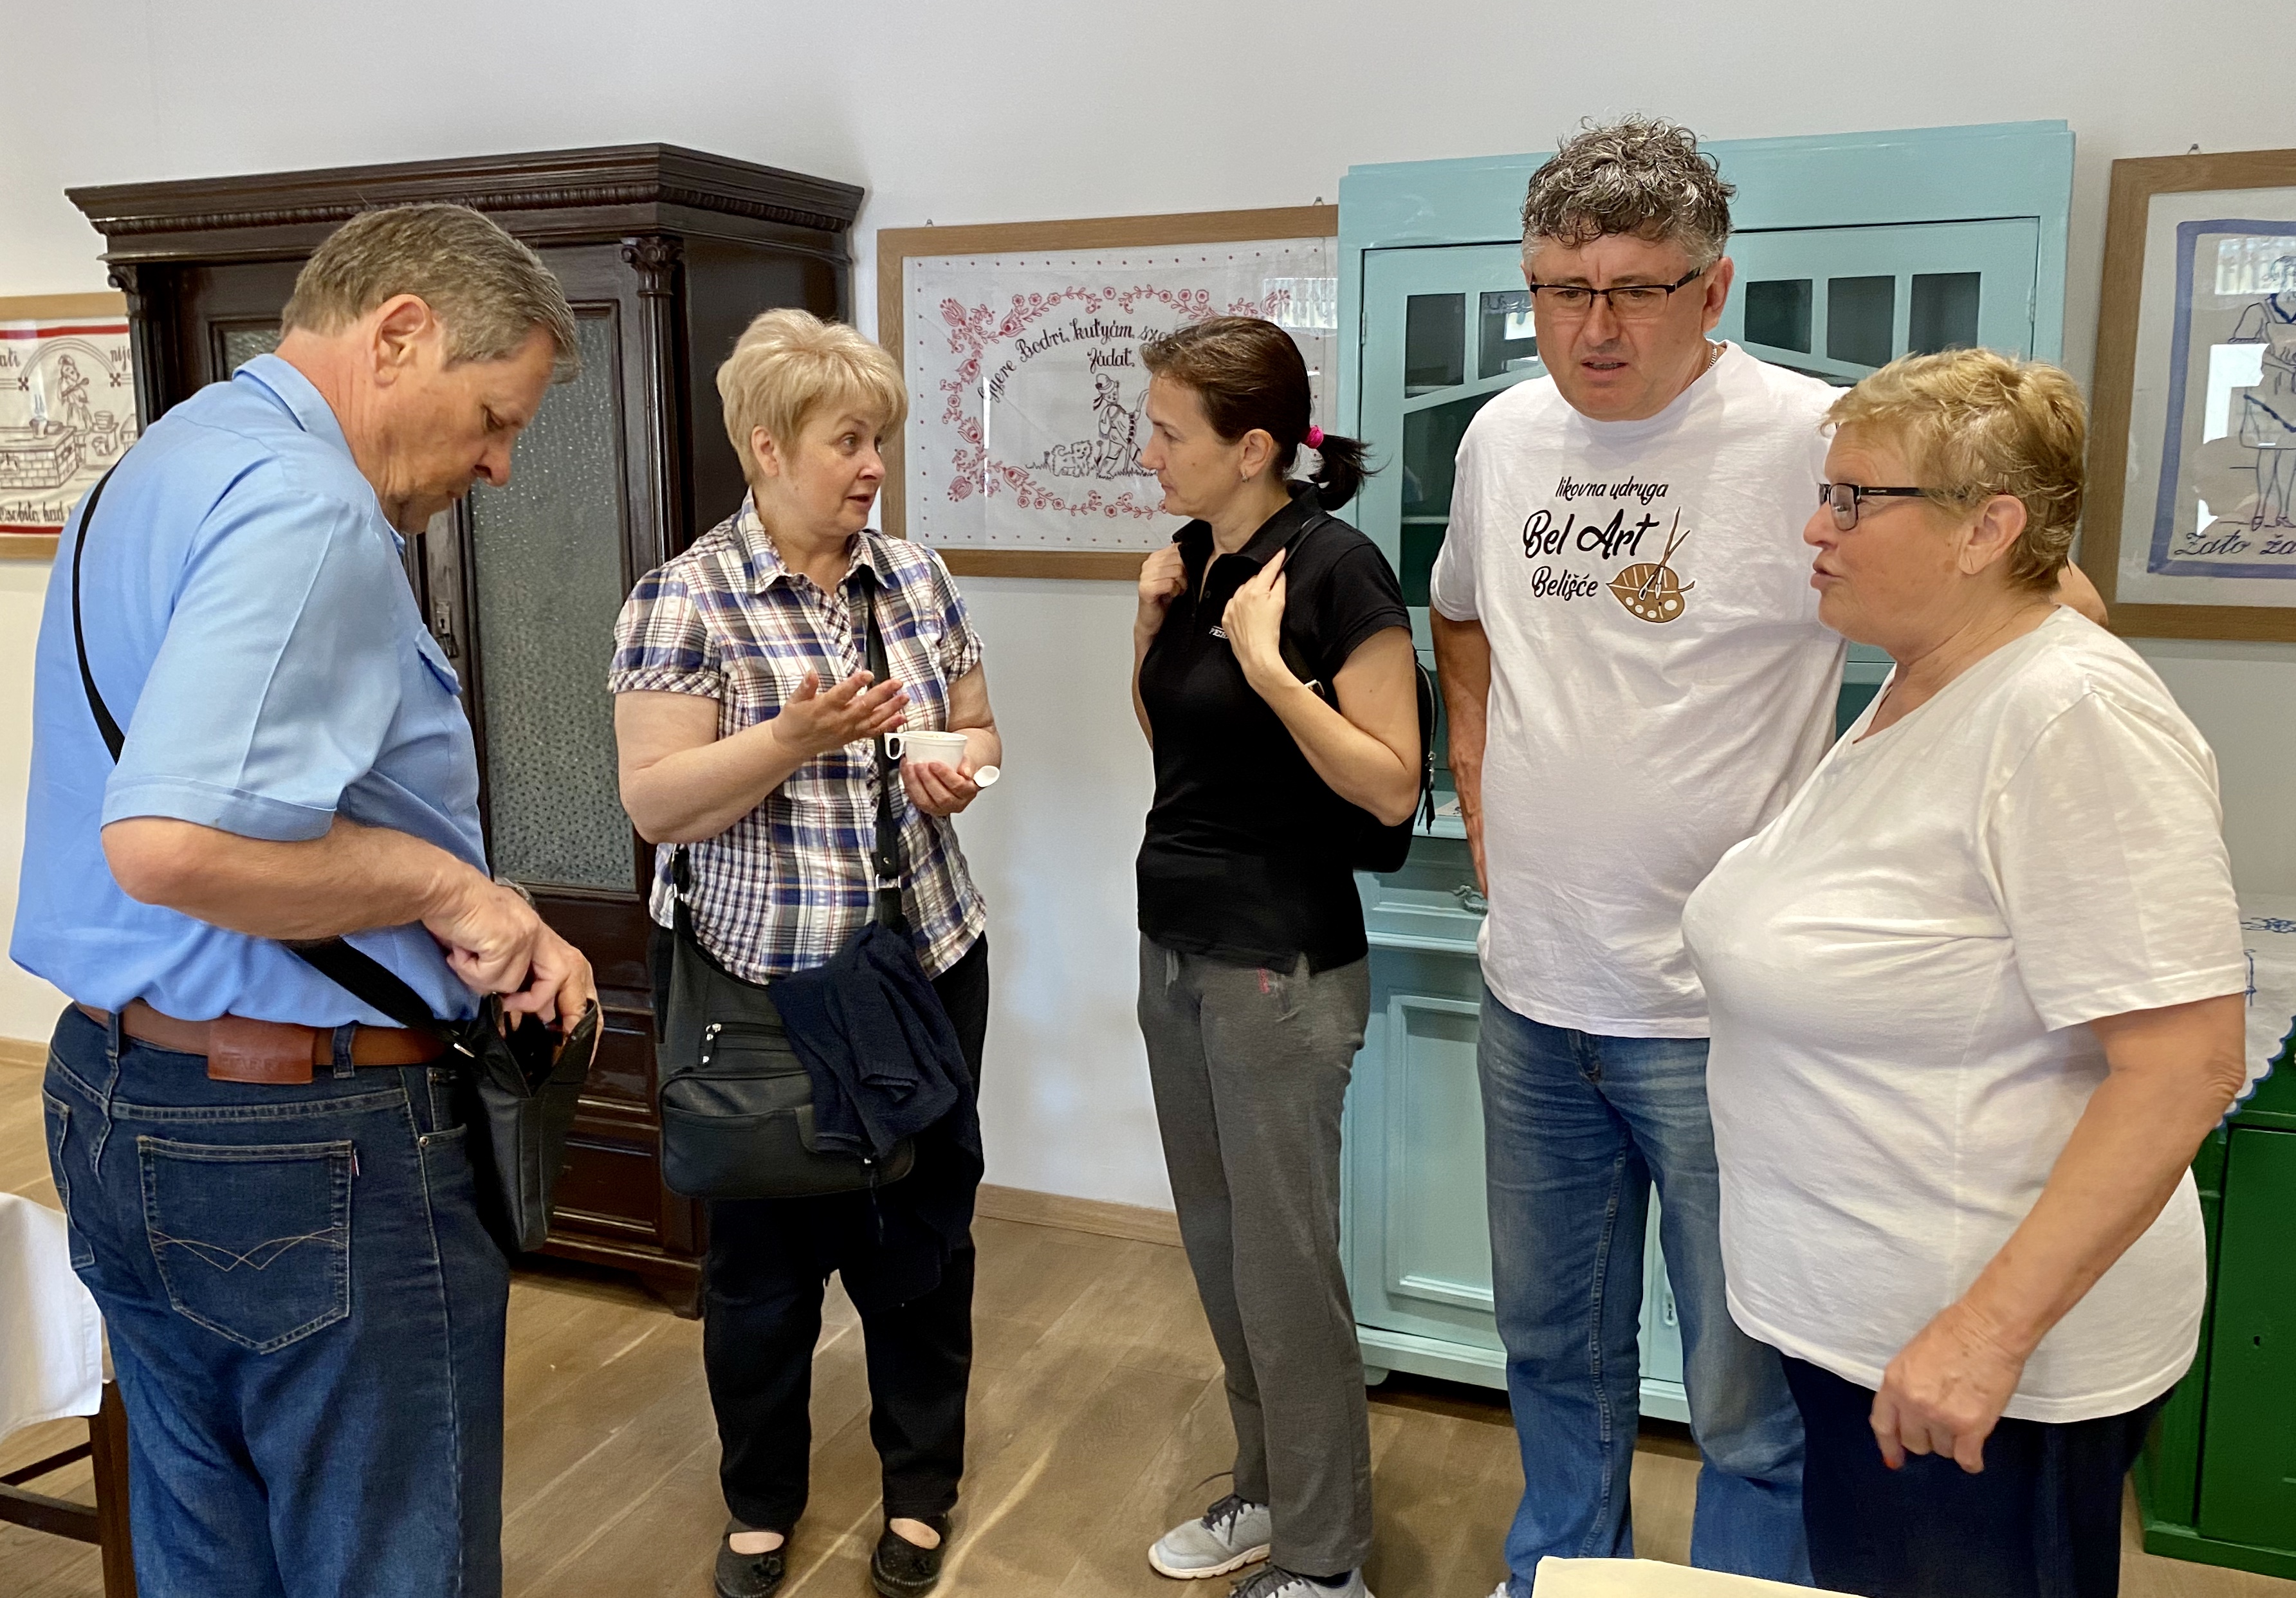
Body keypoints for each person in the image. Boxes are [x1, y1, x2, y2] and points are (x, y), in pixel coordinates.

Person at [1428, 117, 2108, 1597]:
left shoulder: (1818, 439)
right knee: (1550, 1350)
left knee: (1749, 1402)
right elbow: (1462, 614)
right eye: (1561, 289)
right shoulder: (1502, 438)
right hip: (1534, 989)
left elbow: (2040, 618)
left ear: (1715, 286)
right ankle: (1558, 1577)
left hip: (1726, 1018)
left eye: (1637, 288)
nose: (1595, 327)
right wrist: (1476, 776)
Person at [12, 203, 594, 1598]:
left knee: (204, 1546)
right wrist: (449, 884)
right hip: (297, 1142)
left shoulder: (162, 462)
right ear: (400, 333)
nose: (500, 466)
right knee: (390, 1560)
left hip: (111, 1090)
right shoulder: (310, 504)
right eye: (493, 417)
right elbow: (169, 844)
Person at [1682, 348, 2251, 1598]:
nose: (1816, 528)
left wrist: (1982, 1339)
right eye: (1824, 493)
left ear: (1988, 529)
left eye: (1854, 500)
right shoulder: (1936, 678)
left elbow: (2184, 1064)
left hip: (1977, 1370)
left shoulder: (2071, 718)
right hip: (1866, 1331)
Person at [610, 308, 998, 1598]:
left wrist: (960, 770)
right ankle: (761, 1503)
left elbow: (980, 731)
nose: (873, 465)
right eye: (848, 441)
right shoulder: (682, 599)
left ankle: (922, 1489)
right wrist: (790, 738)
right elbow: (657, 805)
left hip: (920, 966)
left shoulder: (918, 580)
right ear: (767, 447)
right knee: (762, 1269)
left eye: (879, 439)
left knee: (920, 1243)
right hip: (757, 987)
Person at [1131, 317, 1420, 1598]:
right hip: (1175, 944)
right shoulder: (1198, 558)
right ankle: (1265, 1492)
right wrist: (1149, 629)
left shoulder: (1337, 571)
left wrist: (1272, 671)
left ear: (1252, 448)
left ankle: (1324, 1559)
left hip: (1279, 965)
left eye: (1167, 433)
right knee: (1217, 1246)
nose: (1148, 454)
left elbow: (1392, 785)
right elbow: (1183, 752)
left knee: (1285, 1268)